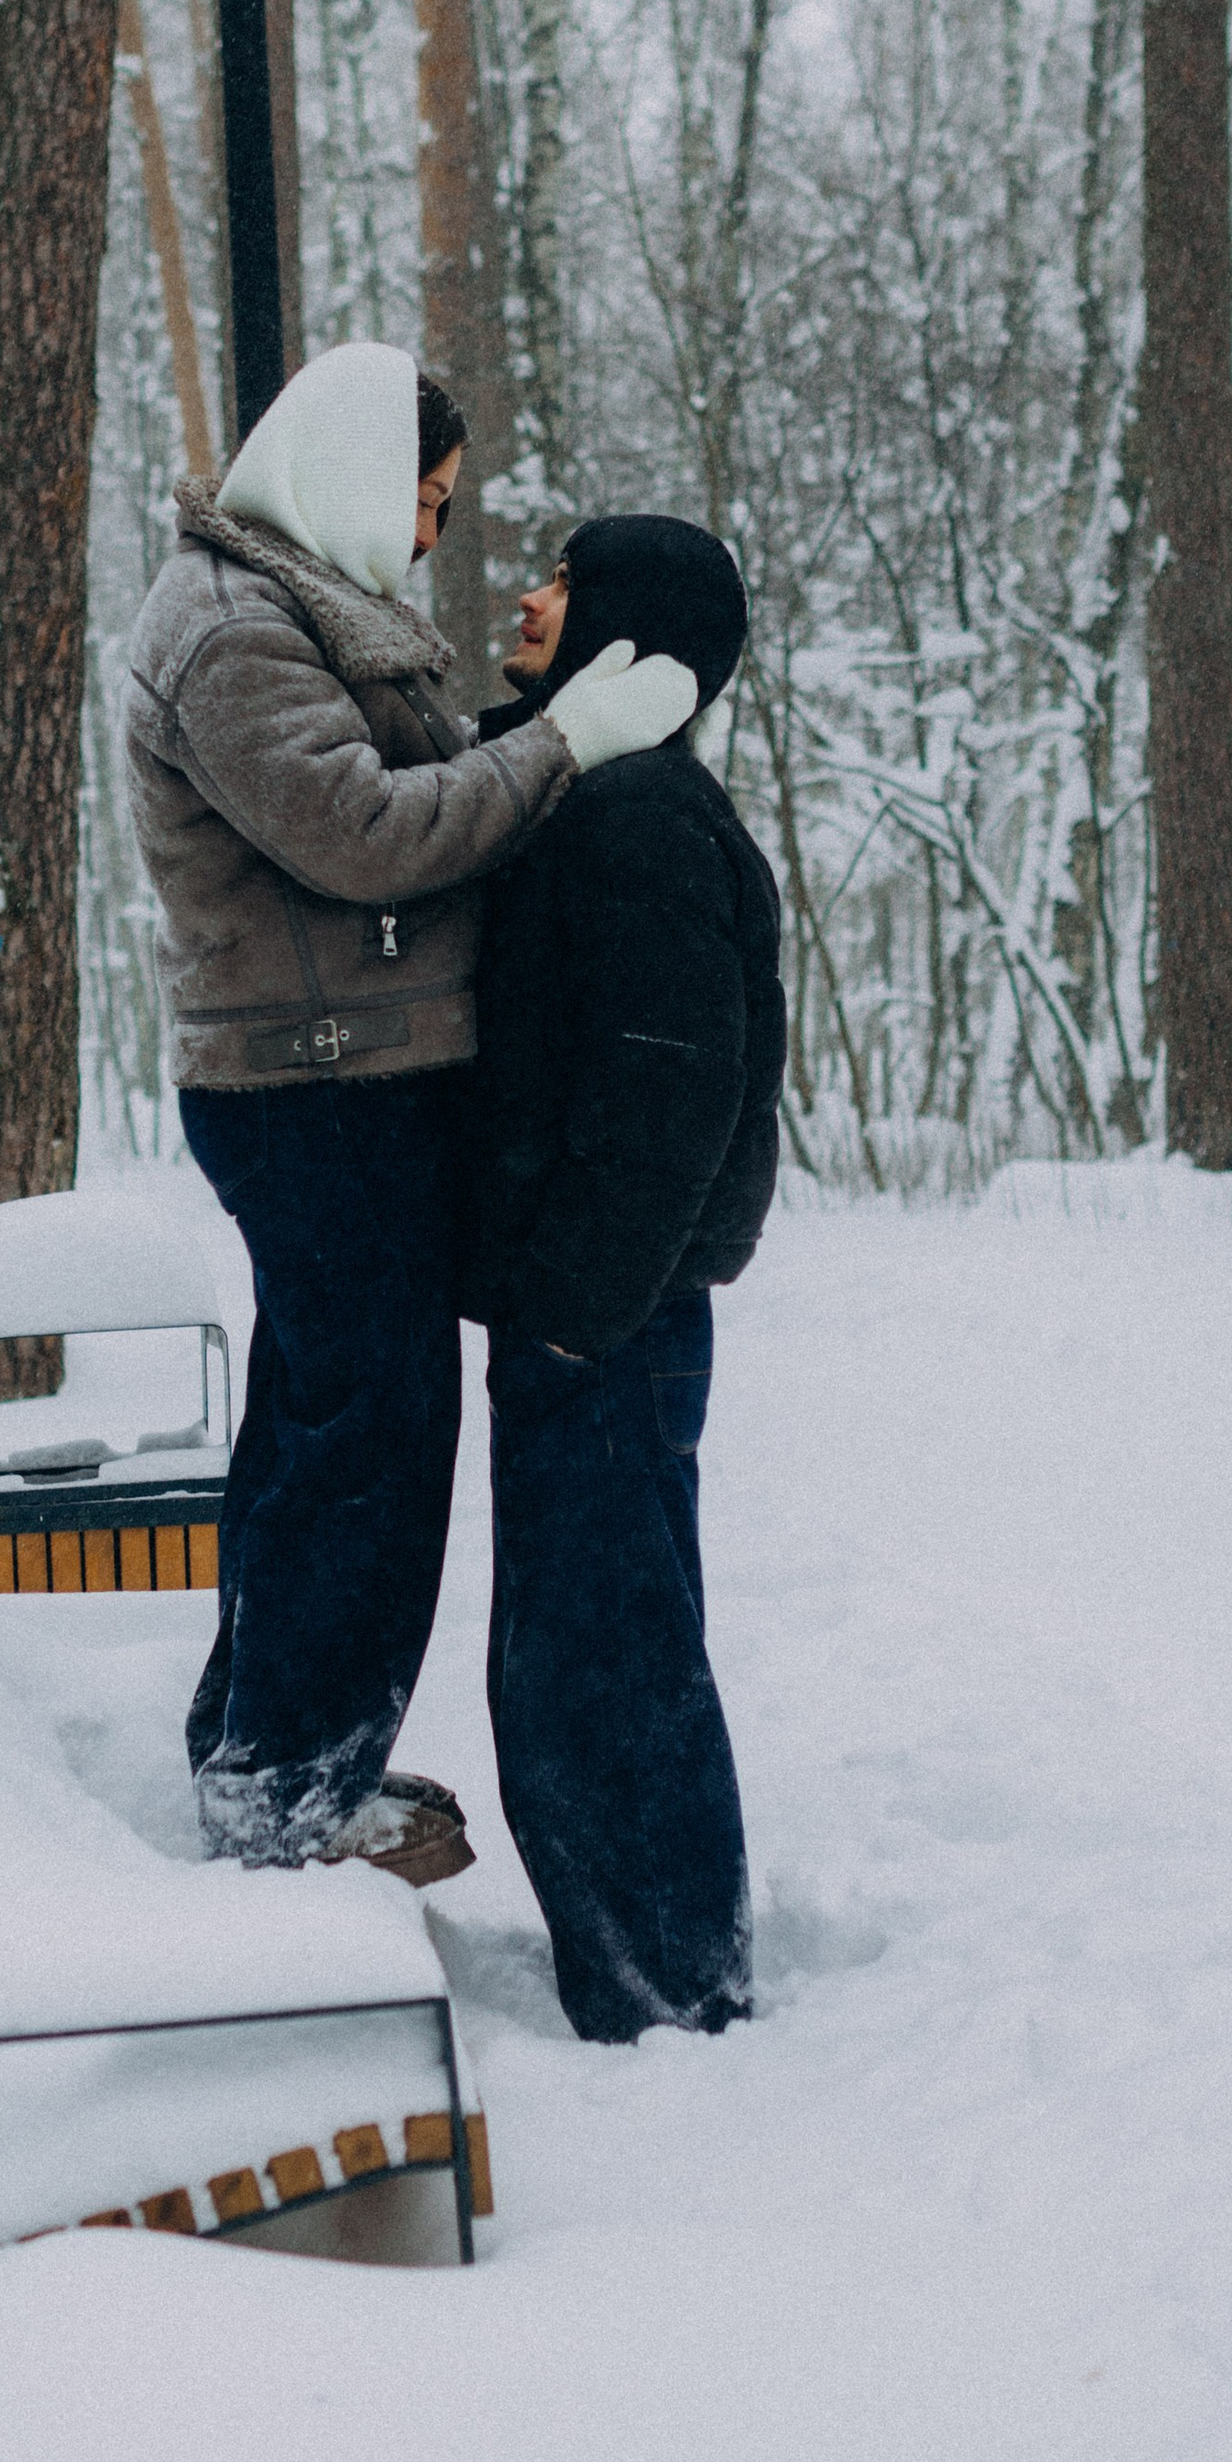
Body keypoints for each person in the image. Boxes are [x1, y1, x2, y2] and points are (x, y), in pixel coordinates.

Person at [124, 342, 699, 1875]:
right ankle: (293, 1794)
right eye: (426, 500)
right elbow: (366, 835)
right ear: (359, 477)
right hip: (313, 1091)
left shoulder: (293, 607)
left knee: (324, 1427)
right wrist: (564, 743)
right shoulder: (235, 631)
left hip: (341, 1078)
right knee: (367, 1437)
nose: (437, 536)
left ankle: (260, 1751)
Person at [462, 515, 786, 2040]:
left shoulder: (640, 813)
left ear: (629, 636)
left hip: (611, 1319)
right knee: (576, 1651)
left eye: (564, 586)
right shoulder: (594, 791)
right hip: (588, 1311)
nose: (525, 599)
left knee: (610, 1660)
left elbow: (670, 1087)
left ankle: (673, 1994)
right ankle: (644, 1974)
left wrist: (578, 1313)